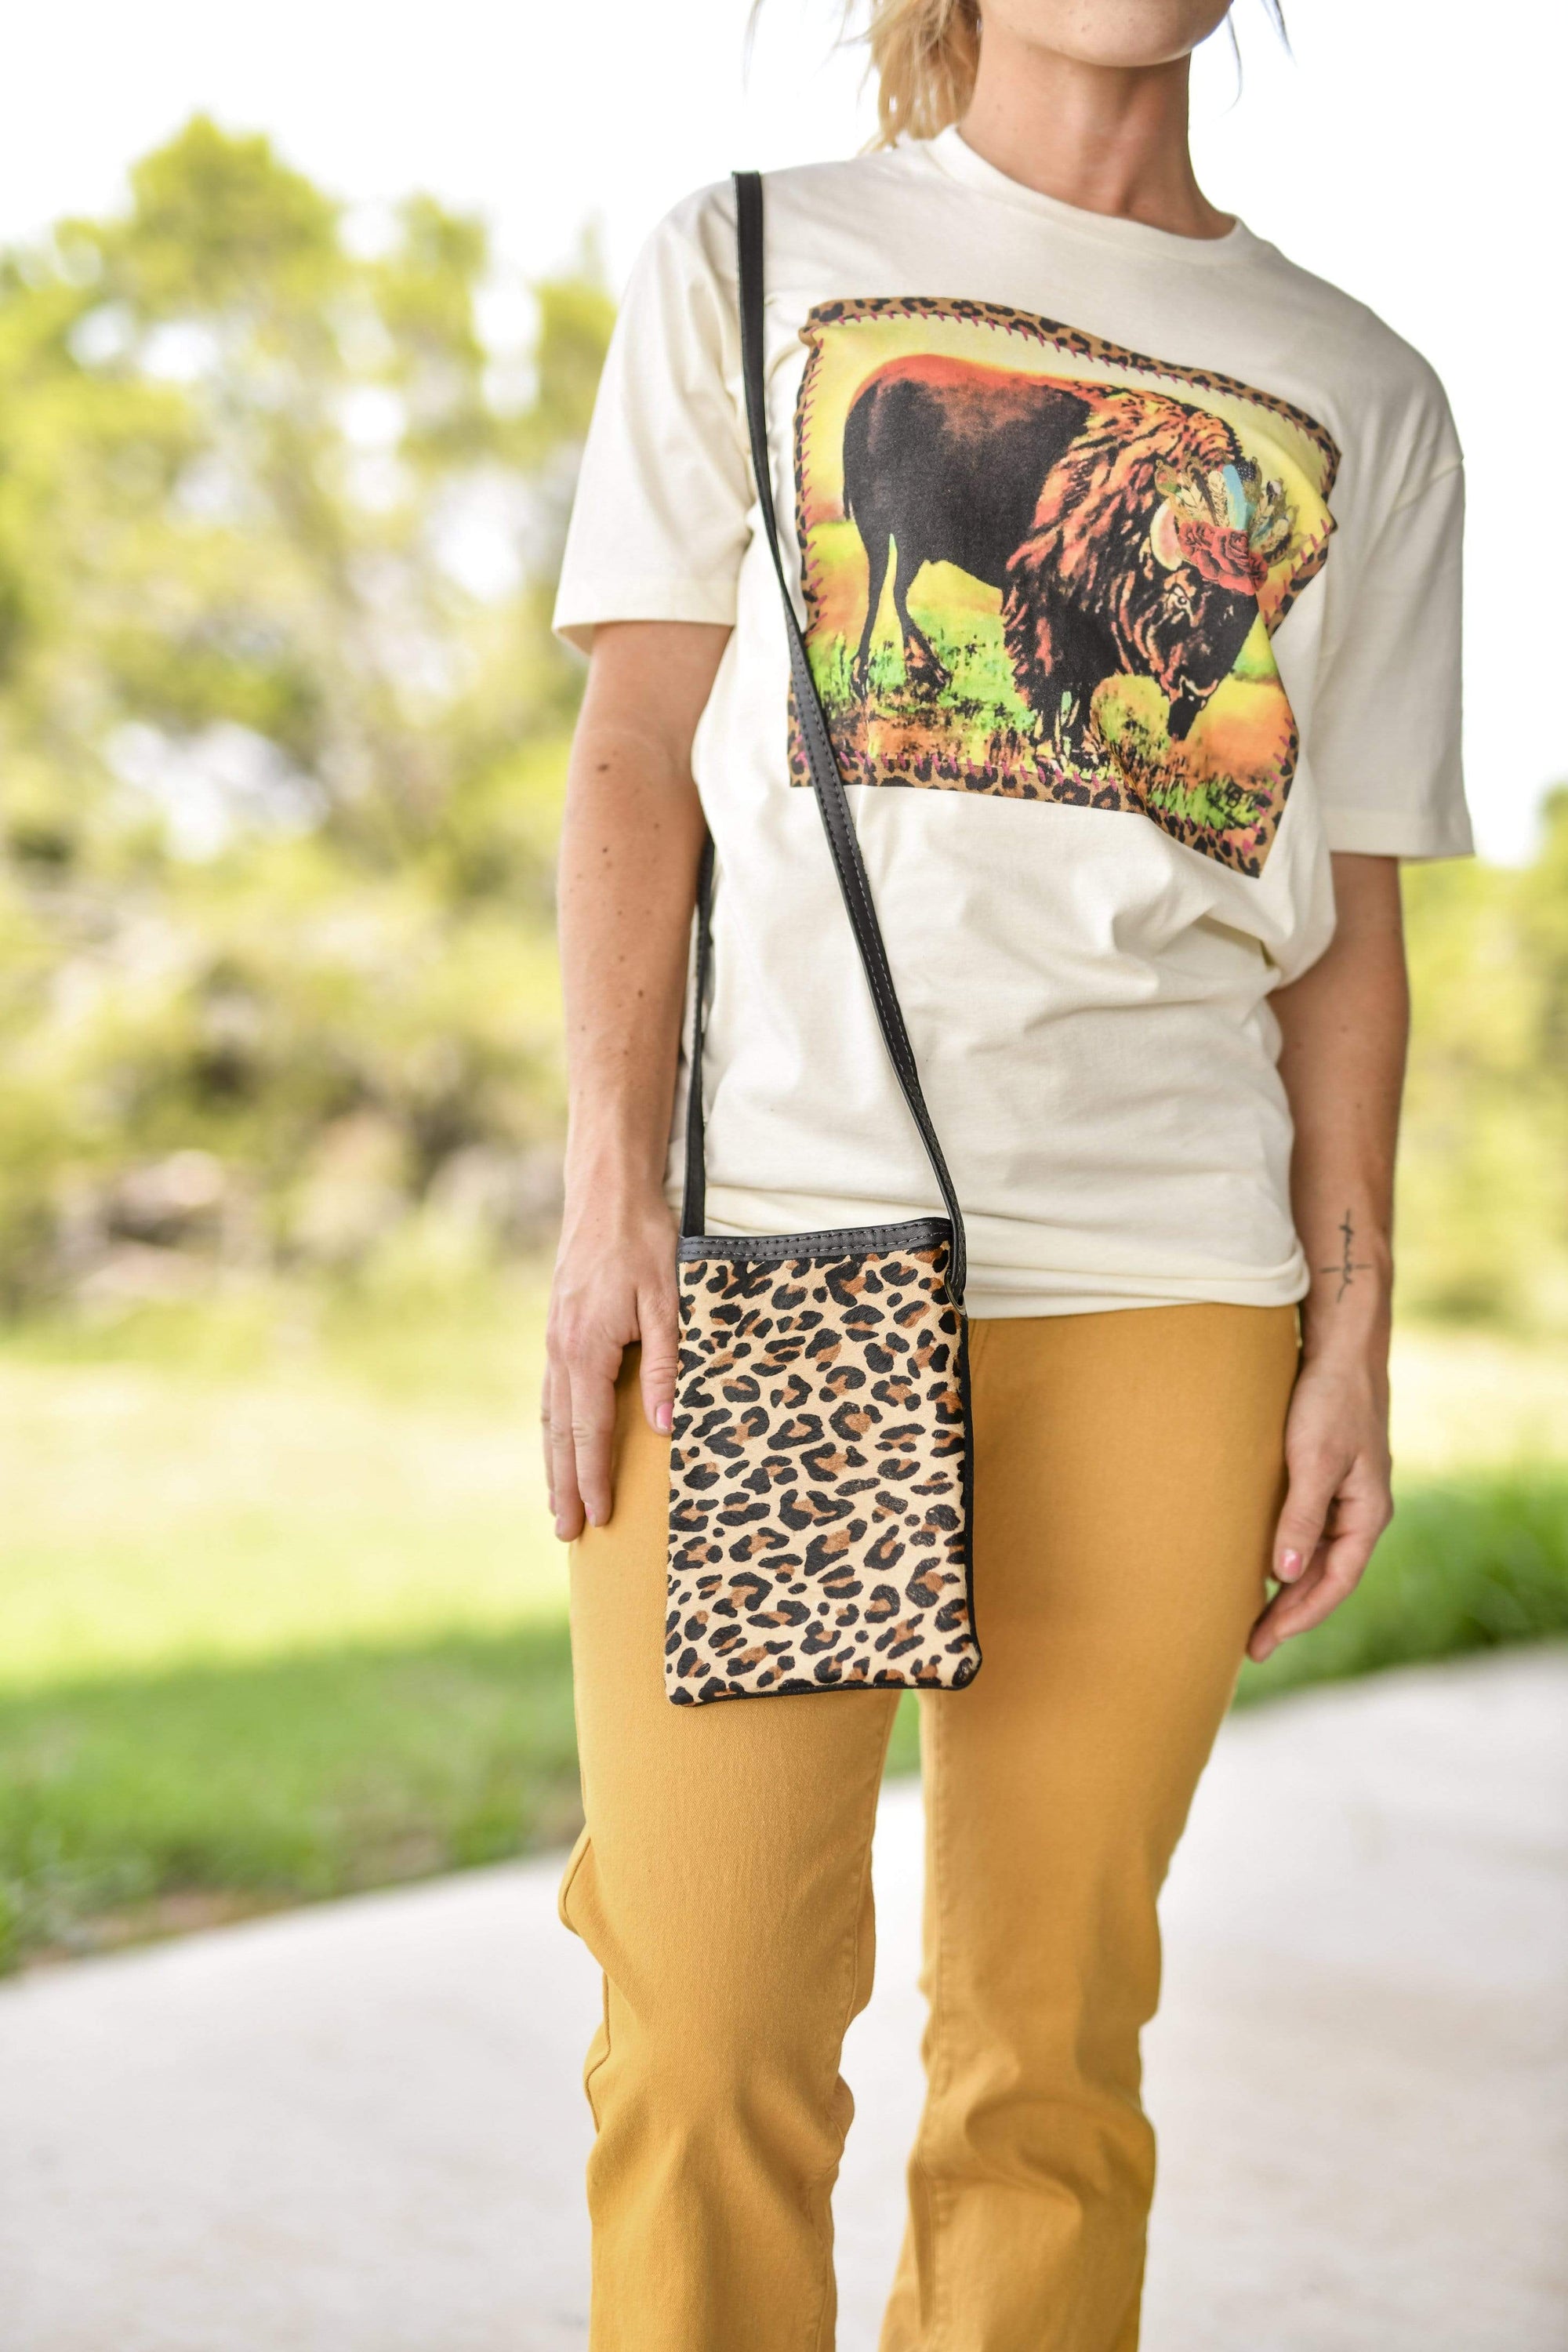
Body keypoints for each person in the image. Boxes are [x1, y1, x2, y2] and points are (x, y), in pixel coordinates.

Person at [544, 1, 1471, 2343]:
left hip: (1175, 1281)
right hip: (778, 1244)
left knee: (1047, 2068)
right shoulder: (755, 257)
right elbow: (635, 743)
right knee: (709, 2038)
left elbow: (1347, 920)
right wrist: (607, 1201)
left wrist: (1351, 1336)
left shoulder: (1364, 389)